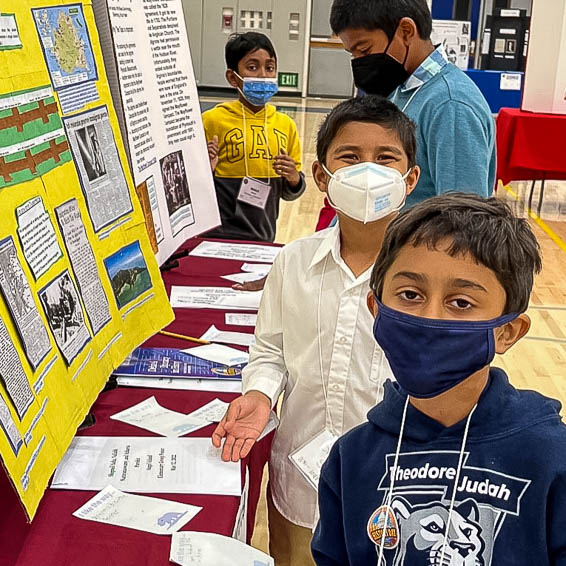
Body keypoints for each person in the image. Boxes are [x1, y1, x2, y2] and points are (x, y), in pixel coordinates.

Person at [212, 95, 421, 566]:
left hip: (400, 490)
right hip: (300, 481)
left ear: (409, 179)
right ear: (322, 177)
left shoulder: (427, 281)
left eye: (385, 158)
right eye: (349, 157)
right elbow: (269, 349)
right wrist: (261, 394)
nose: (368, 171)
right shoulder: (293, 262)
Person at [312, 194, 566, 565]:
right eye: (410, 294)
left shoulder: (551, 458)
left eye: (460, 302)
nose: (431, 318)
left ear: (508, 331)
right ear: (376, 309)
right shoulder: (351, 458)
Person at [323, 0, 495, 213]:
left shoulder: (450, 106)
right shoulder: (401, 89)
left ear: (406, 31)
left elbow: (463, 220)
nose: (358, 62)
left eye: (365, 51)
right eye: (353, 54)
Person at [202, 32, 306, 243]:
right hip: (217, 235)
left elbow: (290, 192)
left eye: (269, 67)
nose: (263, 75)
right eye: (252, 67)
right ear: (233, 77)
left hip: (263, 235)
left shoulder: (286, 126)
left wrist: (294, 178)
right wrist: (205, 169)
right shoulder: (211, 121)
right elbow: (193, 188)